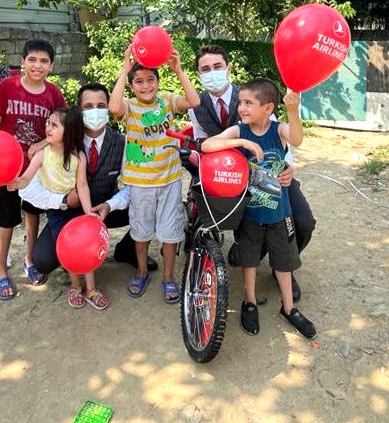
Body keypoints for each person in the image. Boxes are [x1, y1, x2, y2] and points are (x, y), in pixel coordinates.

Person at [188, 44, 316, 301]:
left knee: (303, 222)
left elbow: (284, 138)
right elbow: (202, 145)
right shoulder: (196, 104)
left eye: (217, 66)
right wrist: (237, 145)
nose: (211, 72)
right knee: (226, 222)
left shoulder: (252, 95)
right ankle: (247, 253)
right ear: (199, 74)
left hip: (274, 176)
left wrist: (289, 167)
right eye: (205, 69)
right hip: (227, 176)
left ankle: (284, 265)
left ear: (228, 68)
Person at [202, 78, 317, 340]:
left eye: (248, 103)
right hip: (250, 214)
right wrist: (240, 144)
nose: (241, 108)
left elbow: (297, 139)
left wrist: (293, 109)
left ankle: (289, 308)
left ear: (267, 108)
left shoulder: (278, 130)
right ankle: (250, 301)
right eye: (240, 102)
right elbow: (207, 146)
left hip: (280, 213)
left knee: (284, 263)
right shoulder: (239, 131)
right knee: (249, 260)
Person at [23, 83, 157, 276]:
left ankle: (127, 250)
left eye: (101, 106)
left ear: (109, 107)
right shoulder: (60, 143)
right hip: (68, 213)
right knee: (43, 261)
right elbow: (29, 189)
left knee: (150, 200)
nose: (95, 111)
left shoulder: (124, 142)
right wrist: (62, 202)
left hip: (105, 210)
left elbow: (134, 184)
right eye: (88, 107)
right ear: (78, 110)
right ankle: (73, 252)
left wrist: (110, 205)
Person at [0, 38, 67, 301]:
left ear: (51, 65)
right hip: (7, 166)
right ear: (23, 62)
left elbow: (60, 127)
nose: (37, 65)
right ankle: (0, 268)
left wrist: (40, 143)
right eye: (32, 59)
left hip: (38, 168)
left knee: (32, 214)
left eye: (44, 61)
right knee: (5, 219)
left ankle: (29, 260)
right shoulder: (8, 86)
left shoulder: (53, 94)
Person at [109, 46, 201, 303]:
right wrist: (124, 69)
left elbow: (194, 101)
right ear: (131, 86)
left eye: (151, 80)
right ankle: (140, 272)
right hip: (139, 184)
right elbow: (113, 106)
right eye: (139, 81)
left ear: (158, 82)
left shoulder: (168, 101)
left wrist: (178, 70)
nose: (146, 85)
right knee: (141, 231)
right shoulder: (130, 107)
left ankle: (168, 277)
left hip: (170, 180)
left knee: (170, 232)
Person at [11, 107, 109, 310]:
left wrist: (89, 211)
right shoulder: (41, 154)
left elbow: (82, 185)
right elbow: (27, 178)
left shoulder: (78, 156)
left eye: (54, 125)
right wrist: (16, 182)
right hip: (56, 212)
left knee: (85, 246)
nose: (48, 127)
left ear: (70, 130)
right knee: (69, 248)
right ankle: (75, 287)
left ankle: (91, 288)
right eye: (48, 123)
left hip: (78, 210)